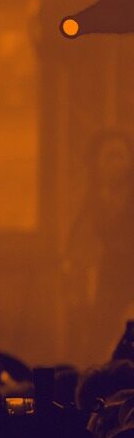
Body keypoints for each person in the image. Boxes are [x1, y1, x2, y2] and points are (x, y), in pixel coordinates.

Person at [64, 128, 134, 361]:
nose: (115, 164)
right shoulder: (89, 197)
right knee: (98, 338)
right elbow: (76, 238)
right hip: (105, 276)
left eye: (119, 156)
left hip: (128, 272)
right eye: (109, 157)